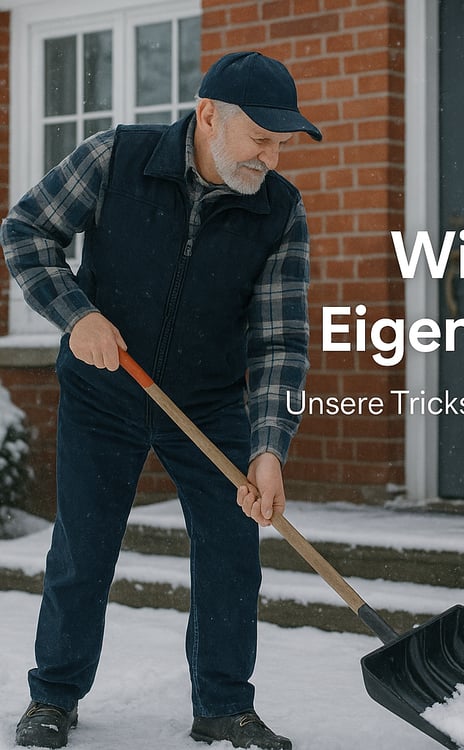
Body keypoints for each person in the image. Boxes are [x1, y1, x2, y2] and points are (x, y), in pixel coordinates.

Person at [1, 51, 321, 749]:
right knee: (84, 548)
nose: (270, 157)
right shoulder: (117, 157)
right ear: (208, 115)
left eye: (280, 143)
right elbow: (26, 231)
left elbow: (280, 342)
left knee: (231, 551)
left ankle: (224, 706)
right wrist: (75, 314)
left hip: (208, 403)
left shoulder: (278, 211)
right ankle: (53, 697)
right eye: (259, 139)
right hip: (104, 390)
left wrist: (268, 449)